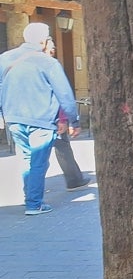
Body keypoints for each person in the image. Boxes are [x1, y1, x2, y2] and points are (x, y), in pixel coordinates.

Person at [0, 22, 80, 215]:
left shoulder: (4, 58)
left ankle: (30, 198)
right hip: (41, 119)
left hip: (14, 117)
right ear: (44, 40)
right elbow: (64, 94)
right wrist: (73, 120)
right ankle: (34, 203)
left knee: (26, 158)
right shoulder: (48, 63)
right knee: (38, 162)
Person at [43, 37, 92, 190]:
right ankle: (74, 180)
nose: (53, 50)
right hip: (52, 117)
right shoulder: (50, 65)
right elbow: (61, 94)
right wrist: (67, 119)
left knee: (32, 155)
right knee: (62, 148)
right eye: (51, 47)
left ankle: (32, 190)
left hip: (29, 117)